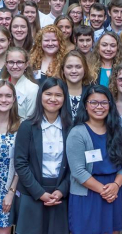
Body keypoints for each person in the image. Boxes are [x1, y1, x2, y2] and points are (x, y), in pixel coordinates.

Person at [12, 78, 72, 234]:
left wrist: (62, 190)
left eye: (58, 95)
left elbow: (75, 165)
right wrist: (40, 193)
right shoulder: (27, 126)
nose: (53, 99)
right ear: (40, 96)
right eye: (48, 94)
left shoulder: (71, 128)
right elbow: (20, 163)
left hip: (60, 195)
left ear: (64, 98)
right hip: (32, 193)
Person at [67, 85, 122, 234]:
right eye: (93, 102)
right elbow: (78, 171)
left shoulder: (117, 130)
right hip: (87, 195)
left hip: (113, 193)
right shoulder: (77, 133)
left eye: (103, 102)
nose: (99, 107)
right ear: (86, 106)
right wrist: (105, 191)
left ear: (110, 105)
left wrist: (115, 185)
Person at [0, 81, 20, 234]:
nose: (4, 99)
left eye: (8, 96)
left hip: (5, 191)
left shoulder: (21, 126)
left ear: (14, 99)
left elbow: (21, 163)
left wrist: (11, 192)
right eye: (0, 95)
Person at [1, 47, 39, 121]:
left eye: (19, 62)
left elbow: (30, 120)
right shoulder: (1, 83)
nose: (15, 66)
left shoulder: (32, 88)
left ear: (26, 64)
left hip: (20, 131)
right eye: (11, 62)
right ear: (6, 64)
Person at [59, 50, 95, 120]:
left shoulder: (92, 92)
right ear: (63, 70)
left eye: (78, 67)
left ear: (85, 69)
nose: (74, 71)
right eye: (69, 67)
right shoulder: (57, 92)